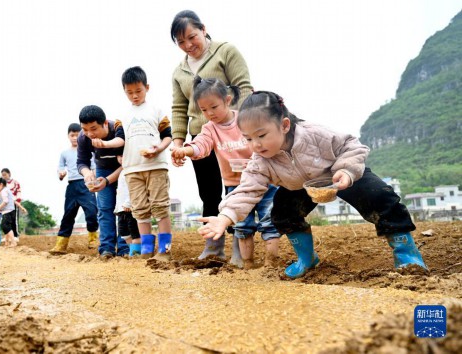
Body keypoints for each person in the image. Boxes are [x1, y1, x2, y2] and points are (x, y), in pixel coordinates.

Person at [198, 91, 428, 278]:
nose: (255, 145)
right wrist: (225, 216)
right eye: (248, 139)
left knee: (380, 196)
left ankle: (406, 254)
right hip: (300, 186)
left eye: (261, 135)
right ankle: (307, 259)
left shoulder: (315, 135)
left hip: (341, 174)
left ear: (284, 125)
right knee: (282, 213)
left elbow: (352, 146)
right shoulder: (260, 161)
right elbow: (247, 191)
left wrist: (346, 171)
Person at [170, 10, 253, 260]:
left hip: (233, 136)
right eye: (180, 42)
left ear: (203, 29)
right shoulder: (179, 72)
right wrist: (177, 144)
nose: (188, 45)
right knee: (209, 194)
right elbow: (179, 108)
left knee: (238, 190)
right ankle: (214, 247)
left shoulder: (226, 51)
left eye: (191, 37)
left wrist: (247, 127)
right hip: (202, 137)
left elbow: (244, 87)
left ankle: (240, 247)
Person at [171, 77, 280, 269]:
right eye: (204, 110)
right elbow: (201, 145)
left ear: (227, 100)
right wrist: (186, 150)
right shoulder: (209, 129)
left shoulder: (245, 119)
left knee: (269, 221)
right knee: (241, 226)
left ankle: (270, 265)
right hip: (234, 186)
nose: (210, 113)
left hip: (263, 182)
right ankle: (246, 264)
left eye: (214, 107)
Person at [100, 66, 174, 260]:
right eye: (129, 92)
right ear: (124, 91)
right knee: (139, 211)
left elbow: (168, 136)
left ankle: (165, 251)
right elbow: (120, 140)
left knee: (160, 207)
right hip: (132, 170)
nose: (134, 96)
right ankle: (147, 251)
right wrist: (106, 144)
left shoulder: (157, 111)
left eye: (138, 91)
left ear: (147, 87)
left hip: (156, 166)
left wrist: (158, 148)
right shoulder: (122, 117)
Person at [76, 105, 130, 259]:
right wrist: (87, 174)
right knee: (104, 208)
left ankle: (125, 248)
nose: (89, 134)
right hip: (102, 170)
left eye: (93, 129)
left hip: (124, 170)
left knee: (124, 208)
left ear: (105, 123)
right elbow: (81, 162)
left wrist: (108, 181)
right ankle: (106, 248)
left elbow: (127, 163)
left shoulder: (119, 130)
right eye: (85, 129)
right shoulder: (83, 137)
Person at [49, 123, 99, 255]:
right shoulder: (64, 153)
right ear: (68, 136)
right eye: (72, 135)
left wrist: (93, 179)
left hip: (86, 185)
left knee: (92, 211)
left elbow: (94, 166)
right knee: (68, 215)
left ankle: (93, 240)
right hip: (71, 186)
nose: (75, 138)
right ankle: (61, 245)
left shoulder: (87, 150)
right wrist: (61, 174)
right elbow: (60, 168)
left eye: (77, 135)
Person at [114, 170, 141, 256]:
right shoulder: (122, 172)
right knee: (124, 234)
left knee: (135, 234)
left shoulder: (132, 169)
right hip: (121, 210)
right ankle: (134, 251)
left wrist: (129, 202)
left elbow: (135, 188)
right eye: (119, 156)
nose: (121, 159)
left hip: (131, 209)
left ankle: (137, 254)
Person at [1, 168, 25, 241]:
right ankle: (7, 236)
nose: (4, 176)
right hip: (5, 204)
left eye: (5, 175)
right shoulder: (2, 184)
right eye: (2, 175)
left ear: (9, 174)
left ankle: (15, 236)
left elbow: (19, 192)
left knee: (14, 220)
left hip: (13, 203)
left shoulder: (15, 182)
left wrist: (18, 201)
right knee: (5, 220)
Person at [0, 178, 17, 247]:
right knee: (7, 227)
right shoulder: (8, 190)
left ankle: (13, 242)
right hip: (12, 211)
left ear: (1, 184)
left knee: (5, 226)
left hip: (8, 212)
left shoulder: (3, 191)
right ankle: (6, 242)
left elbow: (5, 201)